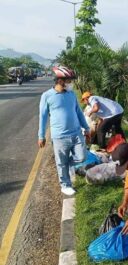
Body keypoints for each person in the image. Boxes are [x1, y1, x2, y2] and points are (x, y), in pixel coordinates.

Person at [38, 66, 91, 196]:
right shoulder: (47, 96)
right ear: (61, 80)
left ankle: (66, 167)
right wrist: (41, 135)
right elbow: (43, 116)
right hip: (60, 137)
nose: (71, 83)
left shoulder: (71, 94)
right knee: (61, 162)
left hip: (76, 133)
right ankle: (65, 185)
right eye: (69, 80)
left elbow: (78, 112)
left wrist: (87, 128)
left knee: (81, 156)